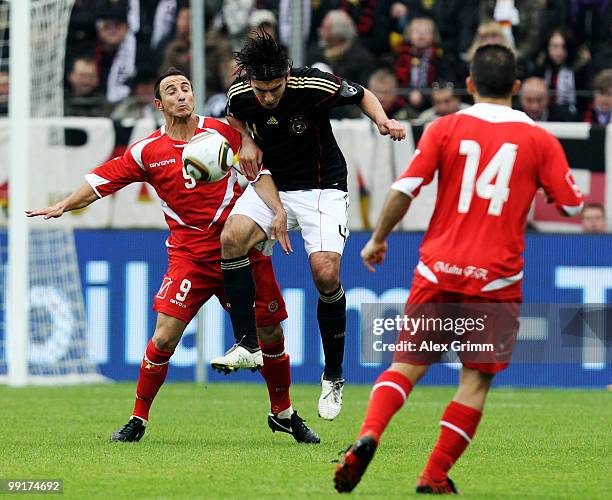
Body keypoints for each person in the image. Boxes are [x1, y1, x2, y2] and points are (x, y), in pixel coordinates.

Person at [334, 45, 584, 493]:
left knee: (406, 365)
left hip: (438, 270)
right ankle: (433, 474)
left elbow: (405, 188)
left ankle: (369, 434)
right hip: (497, 278)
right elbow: (571, 204)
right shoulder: (539, 139)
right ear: (514, 87)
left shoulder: (444, 128)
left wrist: (377, 238)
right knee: (474, 381)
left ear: (469, 85)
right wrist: (545, 188)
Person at [26, 67, 320, 445]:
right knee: (164, 337)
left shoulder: (224, 133)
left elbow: (258, 172)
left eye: (186, 88)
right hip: (190, 258)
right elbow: (100, 181)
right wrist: (64, 205)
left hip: (239, 251)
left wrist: (277, 211)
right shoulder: (149, 151)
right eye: (172, 90)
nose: (181, 95)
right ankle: (137, 418)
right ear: (158, 103)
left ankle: (283, 413)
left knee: (271, 333)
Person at [215, 31, 406, 421]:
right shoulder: (240, 93)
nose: (267, 97)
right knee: (231, 238)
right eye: (260, 89)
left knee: (324, 273)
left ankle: (333, 375)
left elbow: (363, 94)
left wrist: (382, 121)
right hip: (273, 185)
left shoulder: (313, 83)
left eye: (275, 89)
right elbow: (233, 115)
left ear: (287, 75)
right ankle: (247, 343)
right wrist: (245, 140)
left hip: (322, 187)